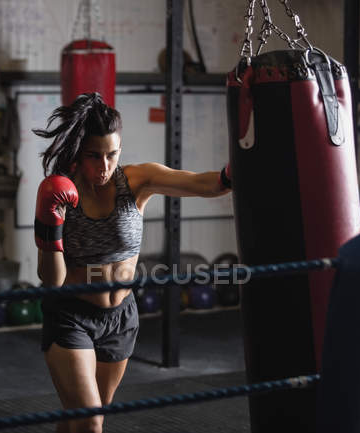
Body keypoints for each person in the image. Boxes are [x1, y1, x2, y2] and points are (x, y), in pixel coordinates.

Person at [33, 92, 231, 433]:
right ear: (79, 153)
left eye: (112, 154)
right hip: (71, 316)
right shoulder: (62, 194)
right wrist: (49, 227)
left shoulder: (137, 181)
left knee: (80, 418)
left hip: (121, 318)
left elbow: (205, 185)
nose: (105, 166)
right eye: (94, 156)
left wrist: (241, 165)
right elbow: (51, 280)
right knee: (90, 421)